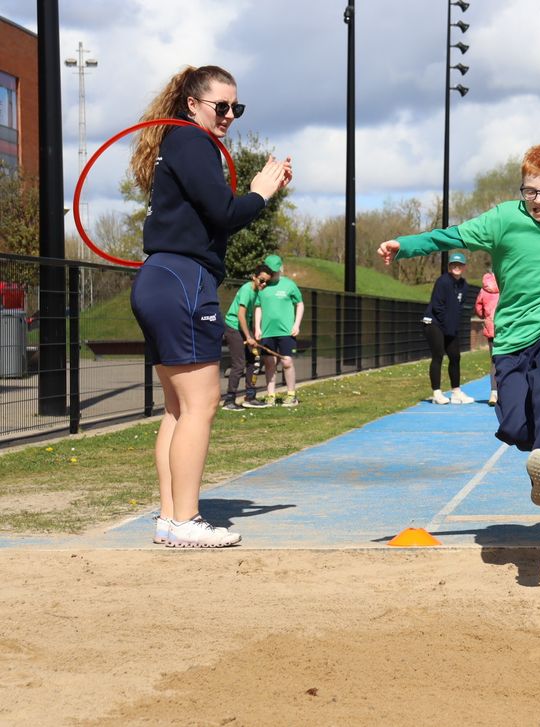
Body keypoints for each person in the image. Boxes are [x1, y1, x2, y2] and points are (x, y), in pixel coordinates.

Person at [378, 141, 540, 506]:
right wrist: (404, 245)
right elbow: (450, 236)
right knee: (514, 428)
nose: (539, 200)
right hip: (513, 333)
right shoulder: (503, 220)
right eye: (530, 190)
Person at [129, 65, 292, 547]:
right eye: (220, 106)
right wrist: (261, 192)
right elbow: (225, 212)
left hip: (162, 278)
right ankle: (186, 519)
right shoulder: (192, 141)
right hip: (182, 280)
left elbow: (216, 213)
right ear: (193, 104)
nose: (228, 116)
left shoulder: (176, 143)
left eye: (235, 109)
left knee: (178, 410)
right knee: (201, 405)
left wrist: (262, 191)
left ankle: (170, 517)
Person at [421, 252, 475, 405]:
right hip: (434, 323)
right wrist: (447, 327)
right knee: (438, 355)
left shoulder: (464, 285)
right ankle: (437, 393)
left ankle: (456, 392)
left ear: (464, 267)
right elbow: (438, 306)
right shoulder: (443, 281)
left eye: (459, 265)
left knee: (455, 357)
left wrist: (452, 328)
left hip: (449, 326)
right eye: (453, 264)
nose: (456, 267)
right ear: (449, 266)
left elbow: (458, 308)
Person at [254, 254, 304, 407]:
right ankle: (270, 395)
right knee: (269, 363)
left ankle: (291, 395)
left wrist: (296, 324)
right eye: (271, 271)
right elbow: (258, 307)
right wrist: (257, 327)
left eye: (276, 270)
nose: (275, 274)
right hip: (268, 332)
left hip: (286, 332)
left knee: (287, 362)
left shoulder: (289, 285)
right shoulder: (263, 287)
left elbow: (300, 304)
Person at [222, 264, 271, 411]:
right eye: (261, 280)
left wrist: (254, 333)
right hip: (233, 327)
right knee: (239, 363)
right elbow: (241, 315)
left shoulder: (256, 292)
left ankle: (250, 397)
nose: (264, 284)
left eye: (267, 282)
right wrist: (248, 336)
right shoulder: (247, 290)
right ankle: (229, 401)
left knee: (254, 359)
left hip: (243, 328)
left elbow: (252, 315)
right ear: (254, 277)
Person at [474, 270, 500, 405]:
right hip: (506, 328)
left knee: (494, 361)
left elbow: (478, 308)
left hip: (491, 328)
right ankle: (506, 391)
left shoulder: (483, 290)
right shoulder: (505, 285)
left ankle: (493, 392)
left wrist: (485, 316)